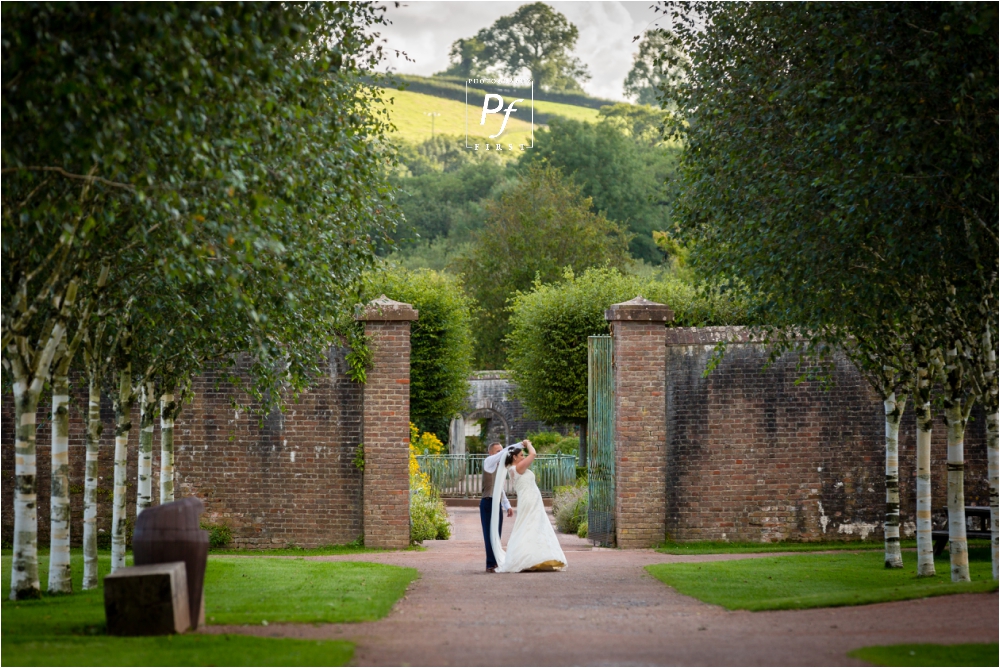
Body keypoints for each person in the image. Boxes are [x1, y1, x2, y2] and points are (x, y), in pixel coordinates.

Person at [485, 440, 567, 572]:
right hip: (529, 500)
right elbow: (533, 454)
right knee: (529, 525)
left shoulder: (515, 468)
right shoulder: (517, 468)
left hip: (531, 499)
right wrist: (528, 444)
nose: (523, 457)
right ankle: (527, 558)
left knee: (533, 526)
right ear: (515, 457)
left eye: (523, 455)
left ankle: (537, 558)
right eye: (521, 455)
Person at [480, 442, 512, 573]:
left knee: (497, 535)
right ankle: (490, 564)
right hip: (487, 502)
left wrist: (507, 505)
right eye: (497, 451)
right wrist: (522, 444)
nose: (500, 453)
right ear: (490, 453)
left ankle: (497, 561)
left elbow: (500, 489)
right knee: (489, 534)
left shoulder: (499, 467)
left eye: (501, 450)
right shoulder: (488, 462)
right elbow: (506, 452)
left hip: (496, 503)